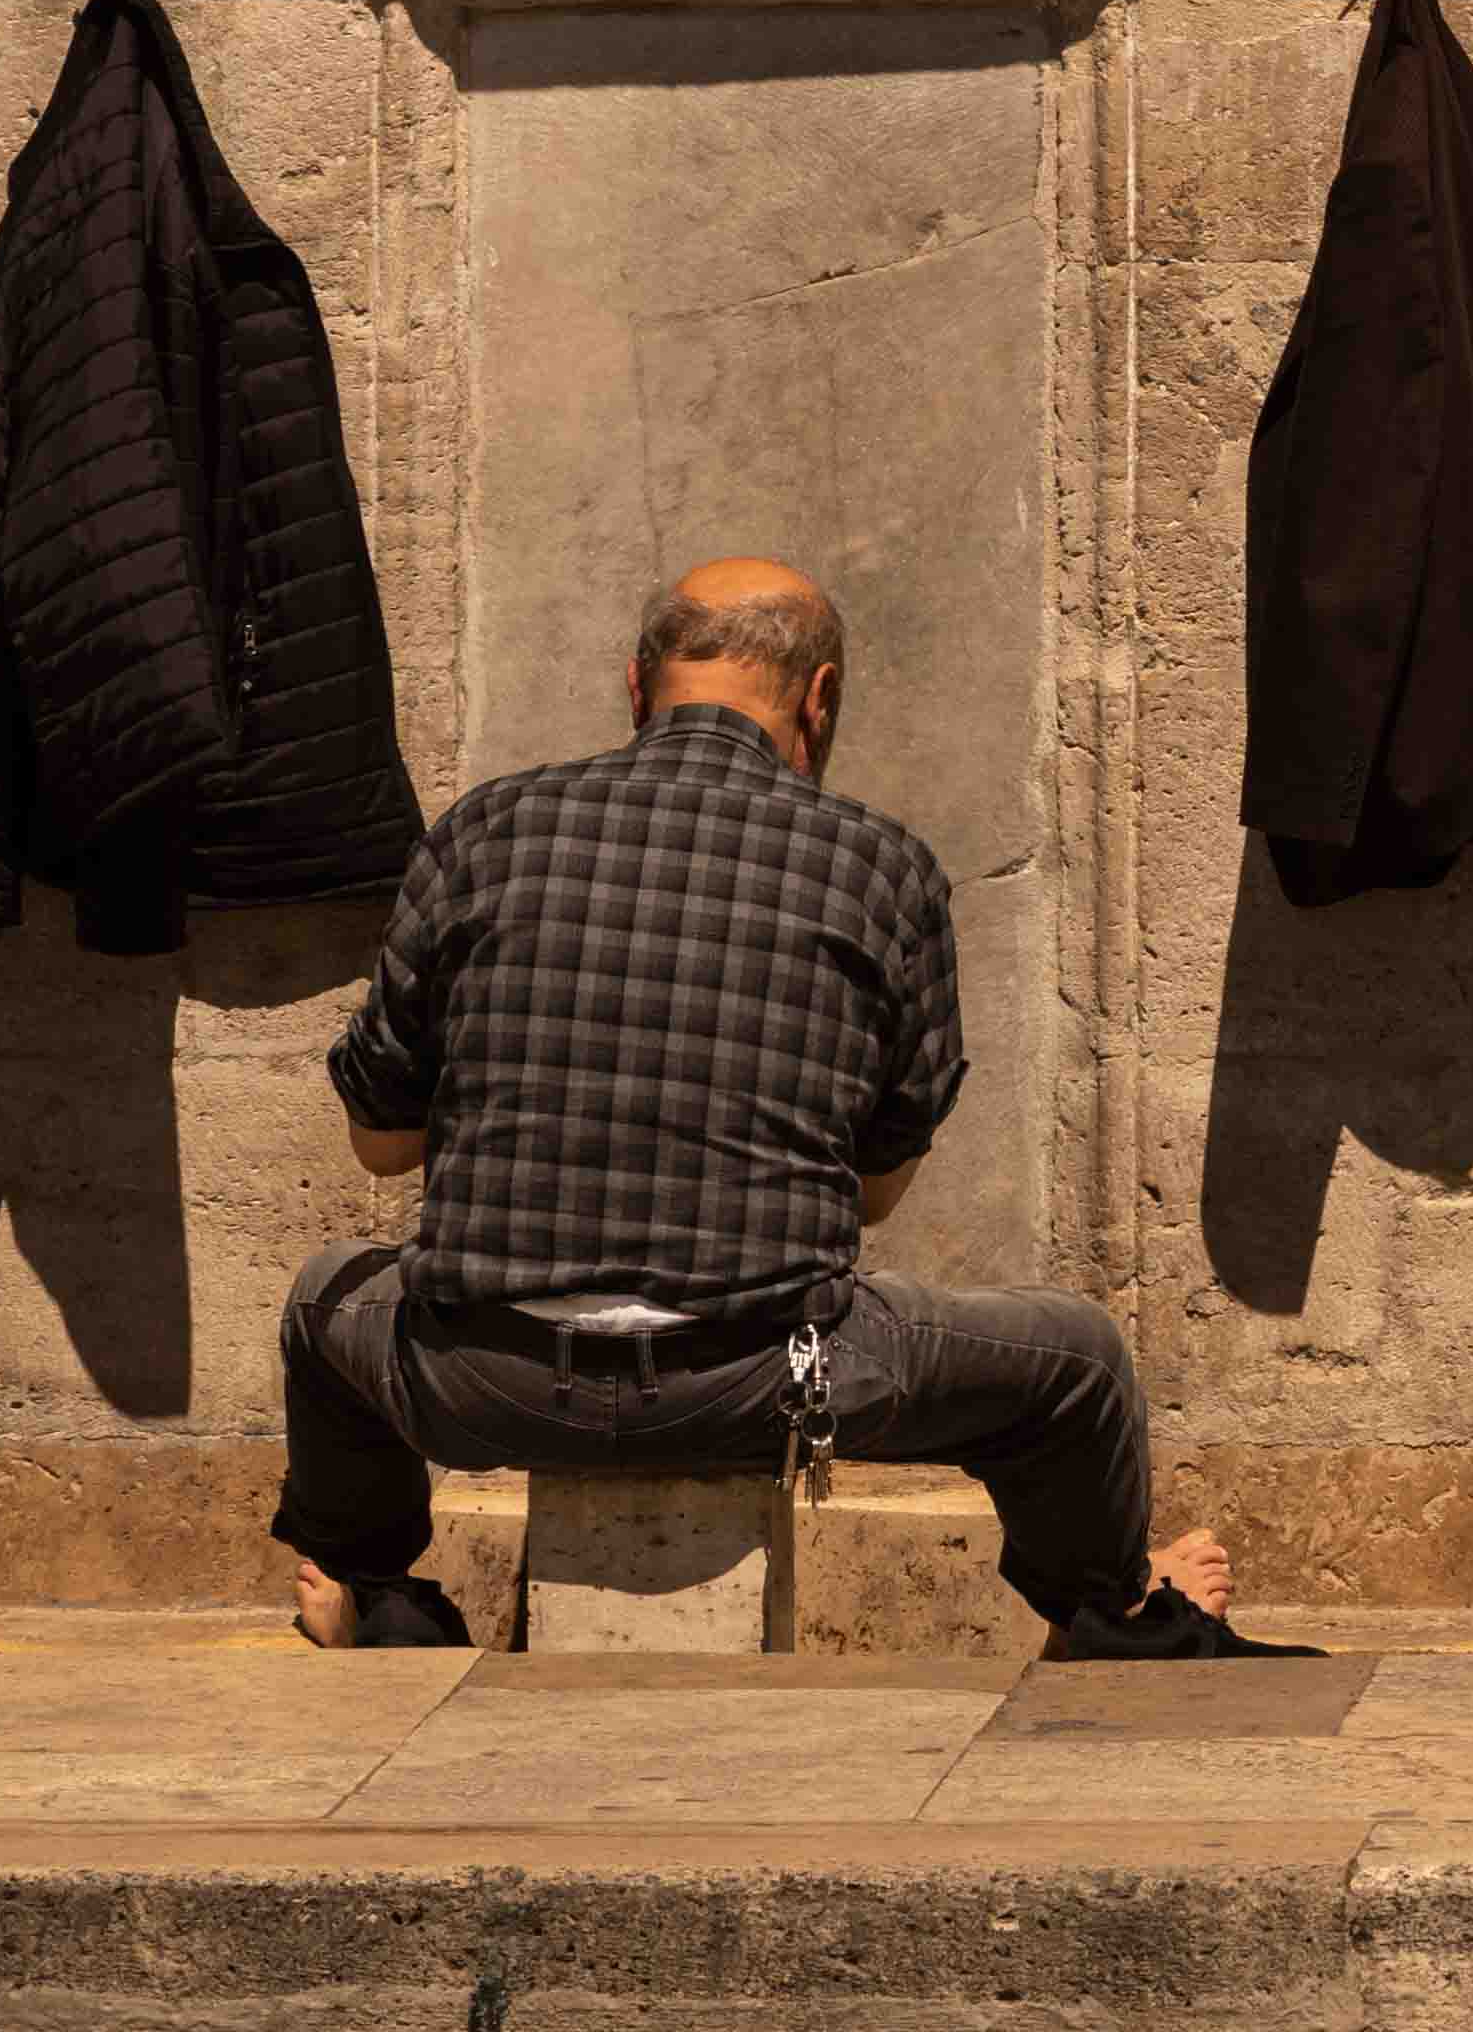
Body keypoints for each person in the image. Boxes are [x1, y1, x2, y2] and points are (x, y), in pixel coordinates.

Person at [283, 559, 1281, 1656]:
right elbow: (878, 1187)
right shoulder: (881, 864)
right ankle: (1111, 1608)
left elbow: (380, 1144)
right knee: (1077, 1361)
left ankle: (370, 1591)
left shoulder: (482, 832)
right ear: (818, 699)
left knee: (326, 1298)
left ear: (635, 686)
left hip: (486, 1382)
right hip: (767, 1381)